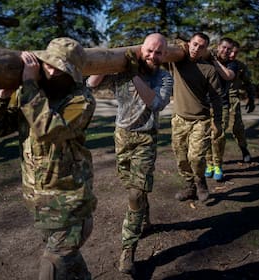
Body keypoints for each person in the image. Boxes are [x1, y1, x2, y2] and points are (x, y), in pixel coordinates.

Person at [0, 37, 97, 279]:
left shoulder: (81, 100)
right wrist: (3, 96)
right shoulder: (31, 93)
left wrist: (30, 85)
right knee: (70, 261)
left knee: (52, 266)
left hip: (70, 205)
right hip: (39, 202)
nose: (51, 71)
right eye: (48, 64)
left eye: (60, 67)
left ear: (72, 73)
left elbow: (49, 130)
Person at [86, 33, 173, 275]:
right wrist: (108, 59)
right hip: (121, 137)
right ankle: (144, 216)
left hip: (146, 138)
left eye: (158, 52)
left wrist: (134, 74)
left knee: (135, 194)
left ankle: (128, 249)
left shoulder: (164, 77)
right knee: (132, 188)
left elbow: (155, 103)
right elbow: (92, 84)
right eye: (149, 50)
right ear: (141, 50)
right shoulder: (122, 71)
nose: (153, 56)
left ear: (165, 55)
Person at [169, 32, 223, 202]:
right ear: (188, 43)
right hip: (178, 119)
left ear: (205, 49)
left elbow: (216, 98)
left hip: (200, 120)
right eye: (194, 44)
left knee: (196, 157)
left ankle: (201, 183)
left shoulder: (209, 69)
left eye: (201, 46)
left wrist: (218, 121)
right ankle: (189, 186)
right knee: (181, 158)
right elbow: (169, 43)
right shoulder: (176, 61)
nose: (196, 48)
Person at [205, 37, 237, 181]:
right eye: (223, 47)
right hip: (204, 104)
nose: (225, 51)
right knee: (205, 136)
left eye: (229, 49)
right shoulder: (207, 56)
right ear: (218, 46)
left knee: (218, 136)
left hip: (221, 104)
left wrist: (215, 62)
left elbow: (228, 76)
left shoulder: (232, 63)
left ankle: (218, 165)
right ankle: (209, 164)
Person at [226, 41, 255, 160]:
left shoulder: (240, 66)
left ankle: (244, 149)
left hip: (232, 99)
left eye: (235, 52)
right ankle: (212, 159)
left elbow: (248, 83)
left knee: (237, 128)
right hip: (215, 99)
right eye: (230, 51)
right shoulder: (215, 63)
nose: (232, 55)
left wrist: (251, 99)